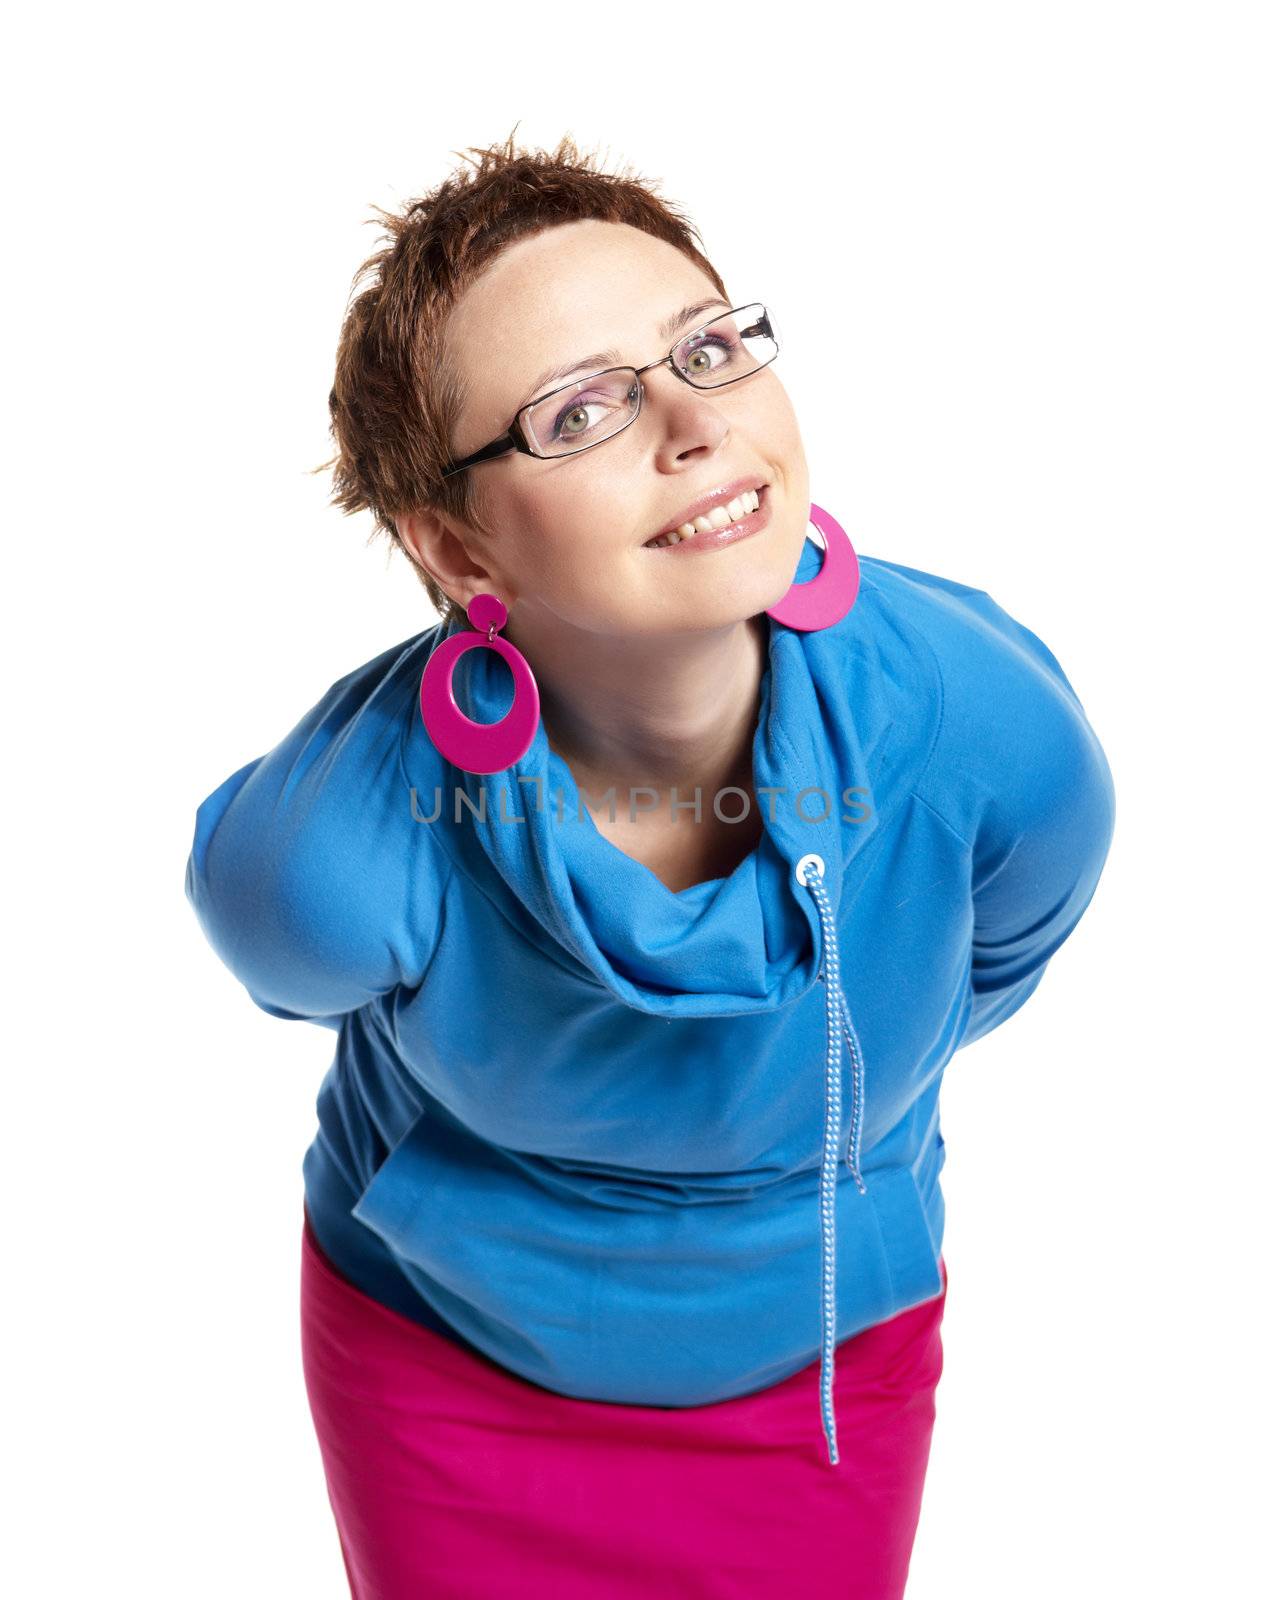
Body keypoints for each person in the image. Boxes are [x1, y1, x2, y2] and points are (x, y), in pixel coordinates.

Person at [184, 130, 1116, 1599]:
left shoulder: (988, 736)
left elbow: (973, 976)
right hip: (443, 1368)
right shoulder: (330, 855)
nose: (693, 425)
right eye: (580, 412)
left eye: (707, 346)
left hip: (820, 1358)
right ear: (456, 546)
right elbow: (284, 972)